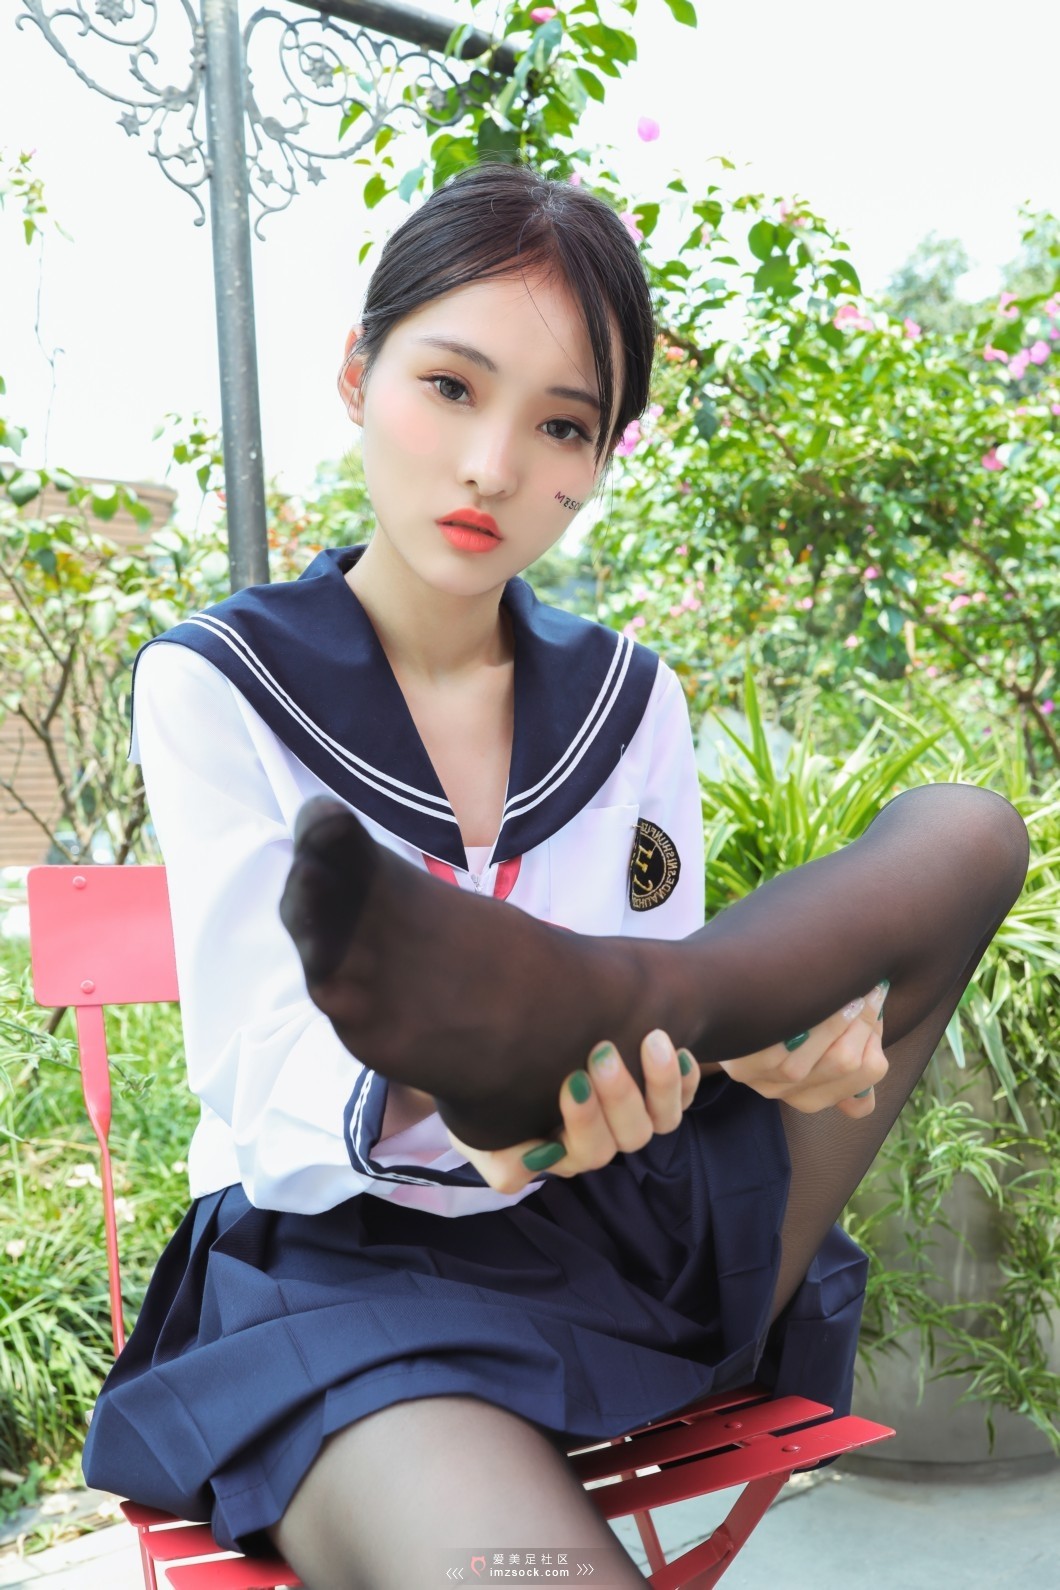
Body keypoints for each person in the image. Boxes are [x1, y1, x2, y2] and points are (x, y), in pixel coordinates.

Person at [81, 163, 1028, 1589]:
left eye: (561, 424)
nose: (493, 466)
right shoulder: (222, 678)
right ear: (356, 373)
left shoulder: (629, 699)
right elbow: (259, 1069)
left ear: (602, 452)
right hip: (353, 1283)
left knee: (968, 834)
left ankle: (553, 1028)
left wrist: (752, 1053)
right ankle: (474, 1059)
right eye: (450, 387)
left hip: (629, 1229)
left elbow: (655, 1034)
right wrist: (442, 1105)